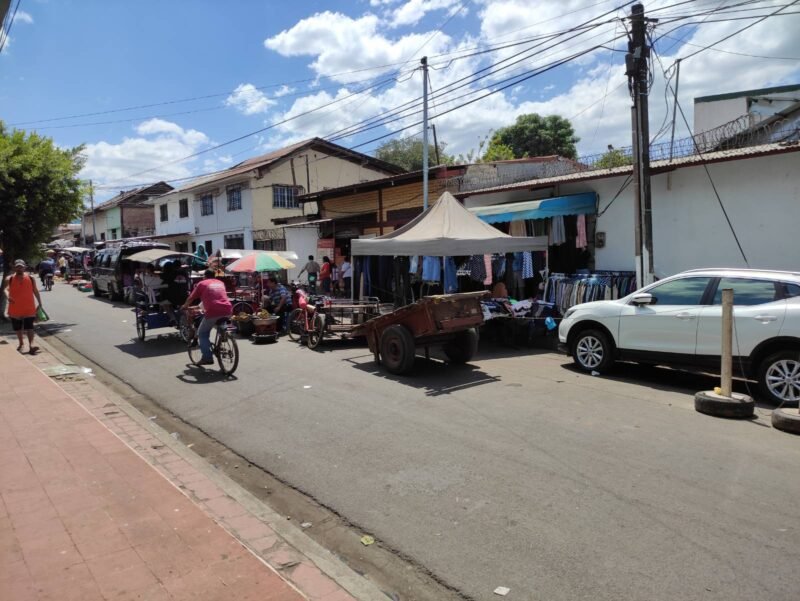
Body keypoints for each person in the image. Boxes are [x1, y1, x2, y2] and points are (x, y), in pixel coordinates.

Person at [180, 270, 232, 365]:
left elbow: (191, 298)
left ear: (204, 276)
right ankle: (222, 337)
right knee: (221, 321)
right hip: (228, 309)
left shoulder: (202, 283)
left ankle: (207, 358)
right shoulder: (220, 283)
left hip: (212, 311)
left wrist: (184, 306)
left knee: (202, 334)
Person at [4, 260, 43, 354]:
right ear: (14, 267)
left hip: (29, 307)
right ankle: (21, 343)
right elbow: (5, 289)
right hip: (15, 307)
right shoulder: (9, 278)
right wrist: (8, 296)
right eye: (17, 266)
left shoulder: (30, 278)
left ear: (24, 267)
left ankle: (31, 345)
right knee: (18, 328)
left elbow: (35, 291)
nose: (19, 268)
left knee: (30, 327)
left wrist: (40, 303)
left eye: (21, 266)